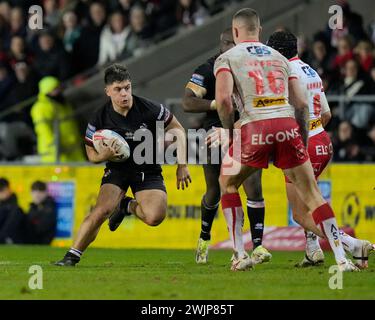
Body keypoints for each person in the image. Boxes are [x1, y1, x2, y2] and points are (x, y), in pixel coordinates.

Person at [215, 8, 358, 271]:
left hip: (254, 125)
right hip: (287, 125)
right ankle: (342, 259)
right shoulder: (280, 58)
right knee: (313, 195)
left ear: (235, 32)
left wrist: (228, 132)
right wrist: (300, 143)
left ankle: (240, 256)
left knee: (228, 182)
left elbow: (224, 101)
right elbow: (301, 105)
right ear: (258, 30)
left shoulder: (227, 58)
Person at [54, 64, 191, 266]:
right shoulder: (99, 117)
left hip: (147, 168)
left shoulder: (150, 108)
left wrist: (182, 165)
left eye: (127, 87)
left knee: (155, 217)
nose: (124, 94)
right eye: (118, 89)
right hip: (117, 170)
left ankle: (125, 205)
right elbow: (91, 154)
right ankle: (72, 256)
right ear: (108, 91)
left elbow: (178, 130)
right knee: (101, 211)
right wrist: (104, 155)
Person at [267, 30, 374, 269]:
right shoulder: (311, 70)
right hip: (323, 141)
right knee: (310, 201)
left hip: (303, 145)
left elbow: (288, 113)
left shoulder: (285, 74)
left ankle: (352, 245)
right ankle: (312, 250)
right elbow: (327, 114)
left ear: (276, 52)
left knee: (302, 213)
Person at [182, 28, 271, 264]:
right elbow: (187, 102)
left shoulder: (251, 68)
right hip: (213, 134)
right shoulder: (209, 69)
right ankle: (204, 237)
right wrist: (218, 104)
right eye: (228, 44)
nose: (232, 48)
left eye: (236, 44)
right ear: (221, 45)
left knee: (253, 186)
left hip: (246, 130)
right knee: (214, 191)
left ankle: (258, 246)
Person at [30, 76, 85, 163]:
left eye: (58, 88)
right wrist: (54, 147)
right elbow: (43, 130)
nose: (58, 91)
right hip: (55, 153)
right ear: (47, 90)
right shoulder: (40, 107)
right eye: (55, 89)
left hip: (73, 149)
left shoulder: (64, 103)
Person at [24, 181, 57, 245]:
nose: (37, 194)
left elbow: (41, 228)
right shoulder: (33, 207)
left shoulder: (49, 207)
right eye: (34, 191)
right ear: (31, 193)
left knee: (17, 212)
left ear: (46, 193)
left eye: (40, 191)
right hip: (32, 238)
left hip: (40, 240)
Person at [0, 178, 24, 244]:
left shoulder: (16, 209)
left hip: (12, 240)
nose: (1, 193)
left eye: (2, 190)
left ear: (8, 189)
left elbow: (9, 226)